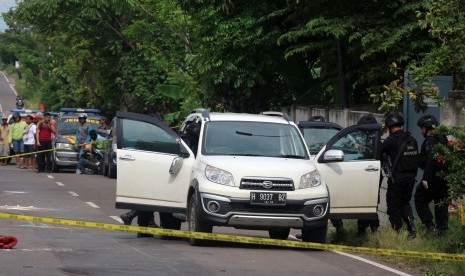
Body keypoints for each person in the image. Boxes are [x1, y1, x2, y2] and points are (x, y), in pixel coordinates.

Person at [379, 113, 419, 238]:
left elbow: (378, 152)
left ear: (390, 126)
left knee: (393, 205)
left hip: (397, 180)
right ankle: (411, 227)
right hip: (411, 179)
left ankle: (397, 231)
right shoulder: (411, 139)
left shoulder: (391, 140)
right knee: (405, 203)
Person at [414, 115, 449, 235]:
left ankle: (430, 226)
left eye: (422, 128)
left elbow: (431, 161)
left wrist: (425, 179)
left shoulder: (430, 141)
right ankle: (442, 232)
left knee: (419, 199)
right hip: (444, 179)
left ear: (427, 128)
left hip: (432, 180)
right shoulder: (443, 139)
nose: (421, 131)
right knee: (441, 205)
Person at [356, 114, 381, 236]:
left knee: (366, 202)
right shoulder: (376, 139)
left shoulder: (371, 141)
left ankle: (365, 229)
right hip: (372, 174)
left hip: (369, 174)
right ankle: (371, 228)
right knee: (370, 201)